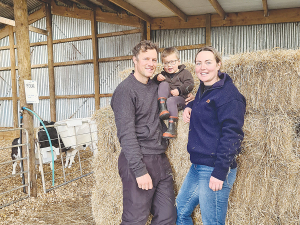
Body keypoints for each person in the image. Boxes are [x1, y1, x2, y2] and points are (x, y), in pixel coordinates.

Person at [176, 46, 246, 225]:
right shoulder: (204, 87)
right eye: (198, 63)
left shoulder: (229, 96)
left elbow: (232, 136)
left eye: (208, 62)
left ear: (218, 64)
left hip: (214, 167)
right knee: (180, 210)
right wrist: (189, 107)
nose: (202, 67)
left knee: (211, 222)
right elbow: (203, 106)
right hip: (198, 165)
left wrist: (220, 172)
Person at [111, 40, 177, 225]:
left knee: (167, 218)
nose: (151, 63)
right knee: (135, 220)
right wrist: (139, 171)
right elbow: (126, 134)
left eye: (154, 59)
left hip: (160, 160)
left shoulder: (156, 87)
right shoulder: (125, 91)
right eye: (145, 58)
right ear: (134, 60)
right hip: (138, 161)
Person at [153, 47, 194, 139]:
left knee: (171, 100)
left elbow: (190, 84)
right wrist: (156, 78)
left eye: (172, 62)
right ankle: (162, 108)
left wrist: (179, 90)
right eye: (166, 63)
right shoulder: (163, 75)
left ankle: (172, 128)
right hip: (167, 100)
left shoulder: (185, 73)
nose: (169, 65)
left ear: (178, 61)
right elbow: (152, 85)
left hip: (180, 100)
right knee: (163, 84)